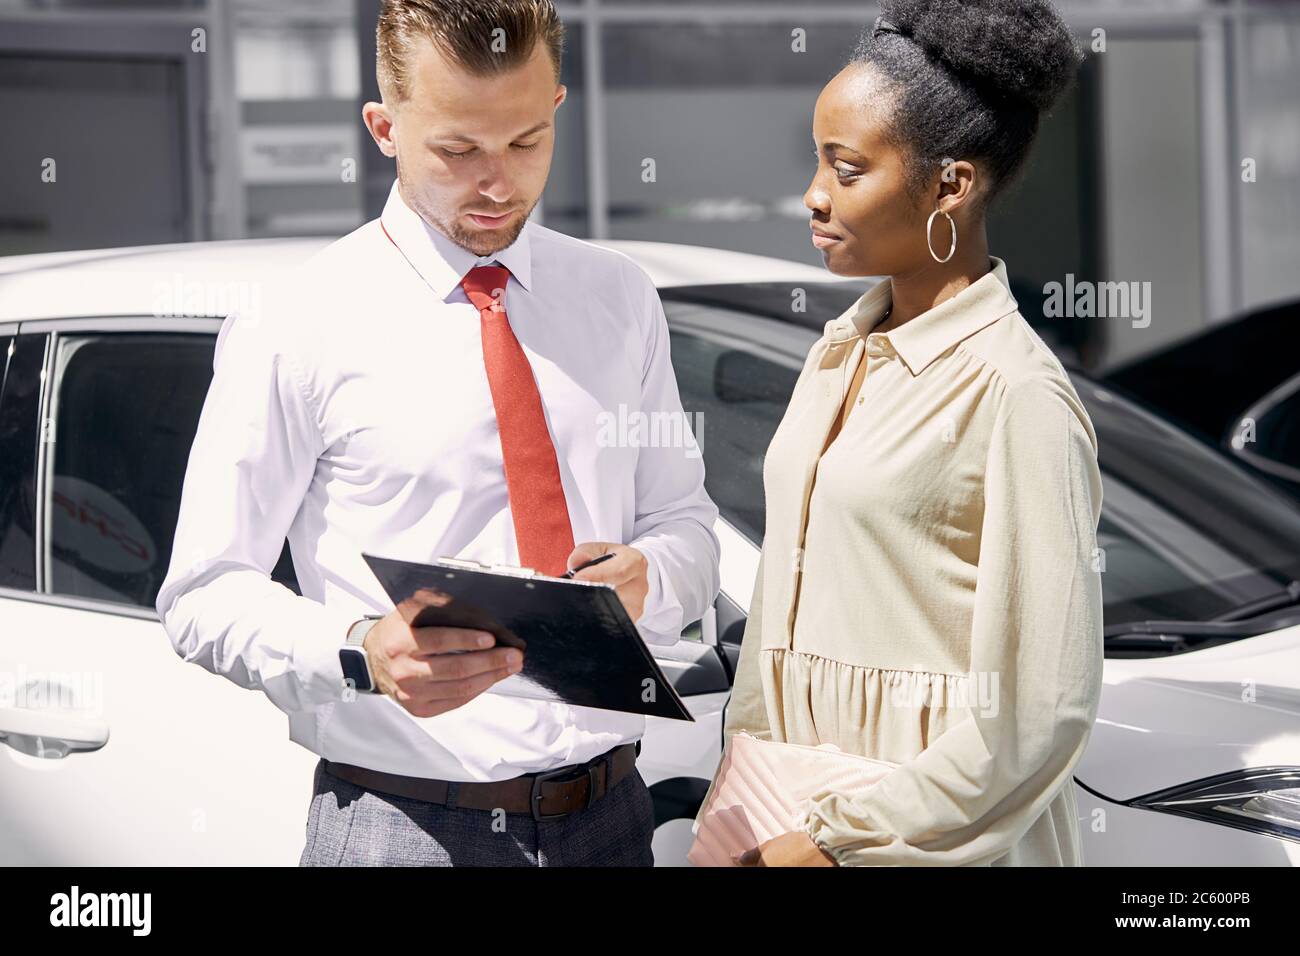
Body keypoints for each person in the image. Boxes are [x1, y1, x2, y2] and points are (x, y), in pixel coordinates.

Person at [156, 0, 719, 867]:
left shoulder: (618, 297)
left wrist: (657, 579)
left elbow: (685, 524)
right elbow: (201, 592)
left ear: (559, 108)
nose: (497, 184)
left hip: (613, 819)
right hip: (403, 830)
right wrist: (358, 655)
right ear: (384, 127)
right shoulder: (296, 322)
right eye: (458, 151)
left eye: (526, 143)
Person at [704, 0, 1104, 866]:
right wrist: (749, 801)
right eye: (818, 161)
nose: (814, 195)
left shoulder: (1015, 392)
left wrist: (842, 842)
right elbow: (782, 613)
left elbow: (1042, 708)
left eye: (848, 170)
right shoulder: (837, 353)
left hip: (919, 843)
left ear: (950, 186)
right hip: (782, 819)